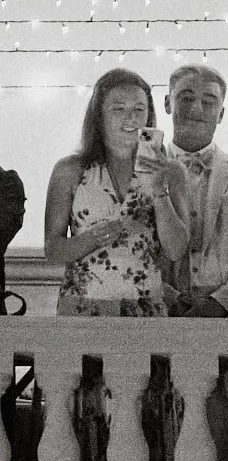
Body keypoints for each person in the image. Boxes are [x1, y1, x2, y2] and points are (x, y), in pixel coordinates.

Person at [44, 67, 169, 314]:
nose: (131, 118)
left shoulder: (167, 170)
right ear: (99, 116)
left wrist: (160, 189)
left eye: (139, 109)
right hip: (83, 307)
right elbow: (53, 251)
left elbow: (176, 250)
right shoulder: (70, 170)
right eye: (118, 109)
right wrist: (94, 237)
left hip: (145, 307)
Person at [156, 62, 228, 318]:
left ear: (221, 113)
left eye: (208, 102)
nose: (196, 109)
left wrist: (220, 304)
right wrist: (169, 298)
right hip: (160, 316)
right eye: (186, 98)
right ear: (167, 103)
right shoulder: (143, 173)